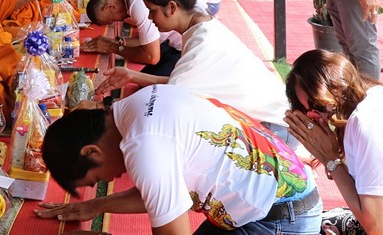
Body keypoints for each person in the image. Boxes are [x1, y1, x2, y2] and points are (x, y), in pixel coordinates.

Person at [36, 85, 322, 234]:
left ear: (91, 152)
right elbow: (159, 190)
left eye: (97, 178)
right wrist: (98, 205)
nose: (108, 179)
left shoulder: (144, 146)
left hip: (281, 220)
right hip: (275, 202)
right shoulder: (138, 104)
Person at [92, 0, 295, 147]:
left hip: (273, 129)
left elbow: (165, 100)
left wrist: (105, 106)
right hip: (275, 121)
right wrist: (132, 75)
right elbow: (181, 82)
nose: (150, 18)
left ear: (172, 7)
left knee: (165, 130)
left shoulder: (202, 43)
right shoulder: (201, 27)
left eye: (152, 11)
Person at [284, 49, 383, 234]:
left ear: (335, 86)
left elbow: (377, 226)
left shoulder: (365, 122)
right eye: (308, 111)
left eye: (317, 104)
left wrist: (331, 161)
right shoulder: (373, 95)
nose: (316, 115)